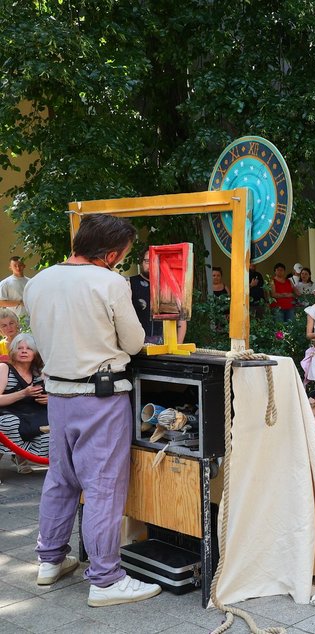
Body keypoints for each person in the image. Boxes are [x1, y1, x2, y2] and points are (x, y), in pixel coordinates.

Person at [23, 213, 161, 606]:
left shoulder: (38, 281)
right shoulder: (110, 282)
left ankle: (49, 559)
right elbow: (133, 342)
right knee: (103, 487)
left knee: (60, 478)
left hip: (57, 394)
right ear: (112, 254)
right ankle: (105, 578)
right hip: (100, 395)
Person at [0, 333, 51, 469]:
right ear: (13, 351)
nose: (24, 351)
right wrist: (23, 393)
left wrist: (49, 399)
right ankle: (19, 455)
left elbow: (54, 394)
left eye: (29, 348)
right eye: (19, 348)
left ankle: (24, 457)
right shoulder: (4, 368)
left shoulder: (39, 372)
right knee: (9, 423)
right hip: (8, 412)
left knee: (50, 430)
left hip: (33, 414)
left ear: (35, 353)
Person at [0, 255, 30, 321]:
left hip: (31, 317)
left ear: (24, 266)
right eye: (15, 266)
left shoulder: (30, 281)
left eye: (20, 265)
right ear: (10, 268)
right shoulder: (5, 283)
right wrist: (20, 302)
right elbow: (1, 302)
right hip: (14, 319)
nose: (18, 268)